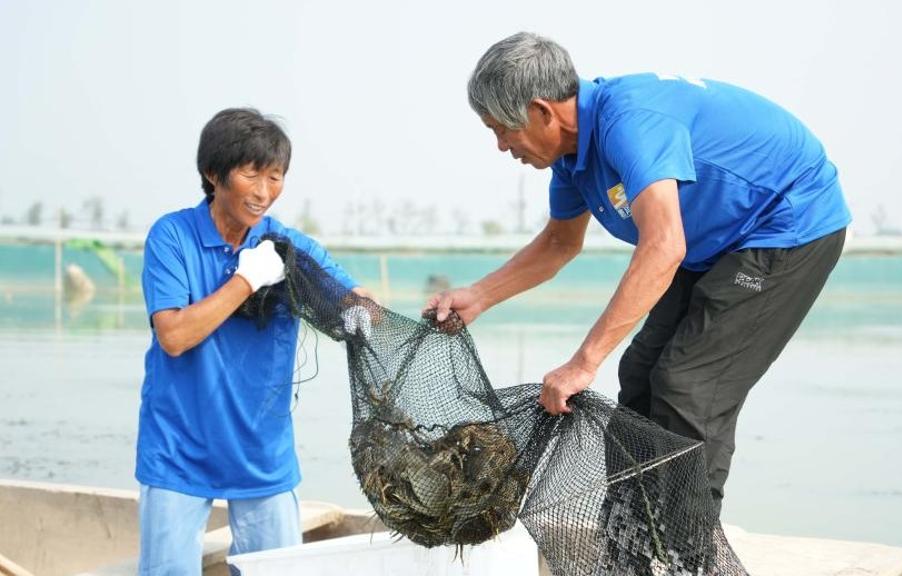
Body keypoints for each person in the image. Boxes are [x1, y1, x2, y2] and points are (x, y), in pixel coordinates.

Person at [425, 32, 851, 517]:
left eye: (502, 129)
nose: (501, 146)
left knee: (688, 386)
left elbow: (664, 245)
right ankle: (631, 539)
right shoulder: (571, 160)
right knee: (641, 374)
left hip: (785, 225)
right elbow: (559, 244)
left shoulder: (631, 123)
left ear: (543, 111)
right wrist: (479, 296)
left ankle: (691, 553)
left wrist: (583, 363)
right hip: (712, 241)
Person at [136, 108, 372, 575]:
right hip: (178, 449)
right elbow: (175, 336)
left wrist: (361, 310)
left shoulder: (286, 245)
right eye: (251, 174)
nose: (264, 192)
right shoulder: (172, 237)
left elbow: (352, 297)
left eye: (276, 176)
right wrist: (246, 280)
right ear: (212, 173)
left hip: (263, 450)